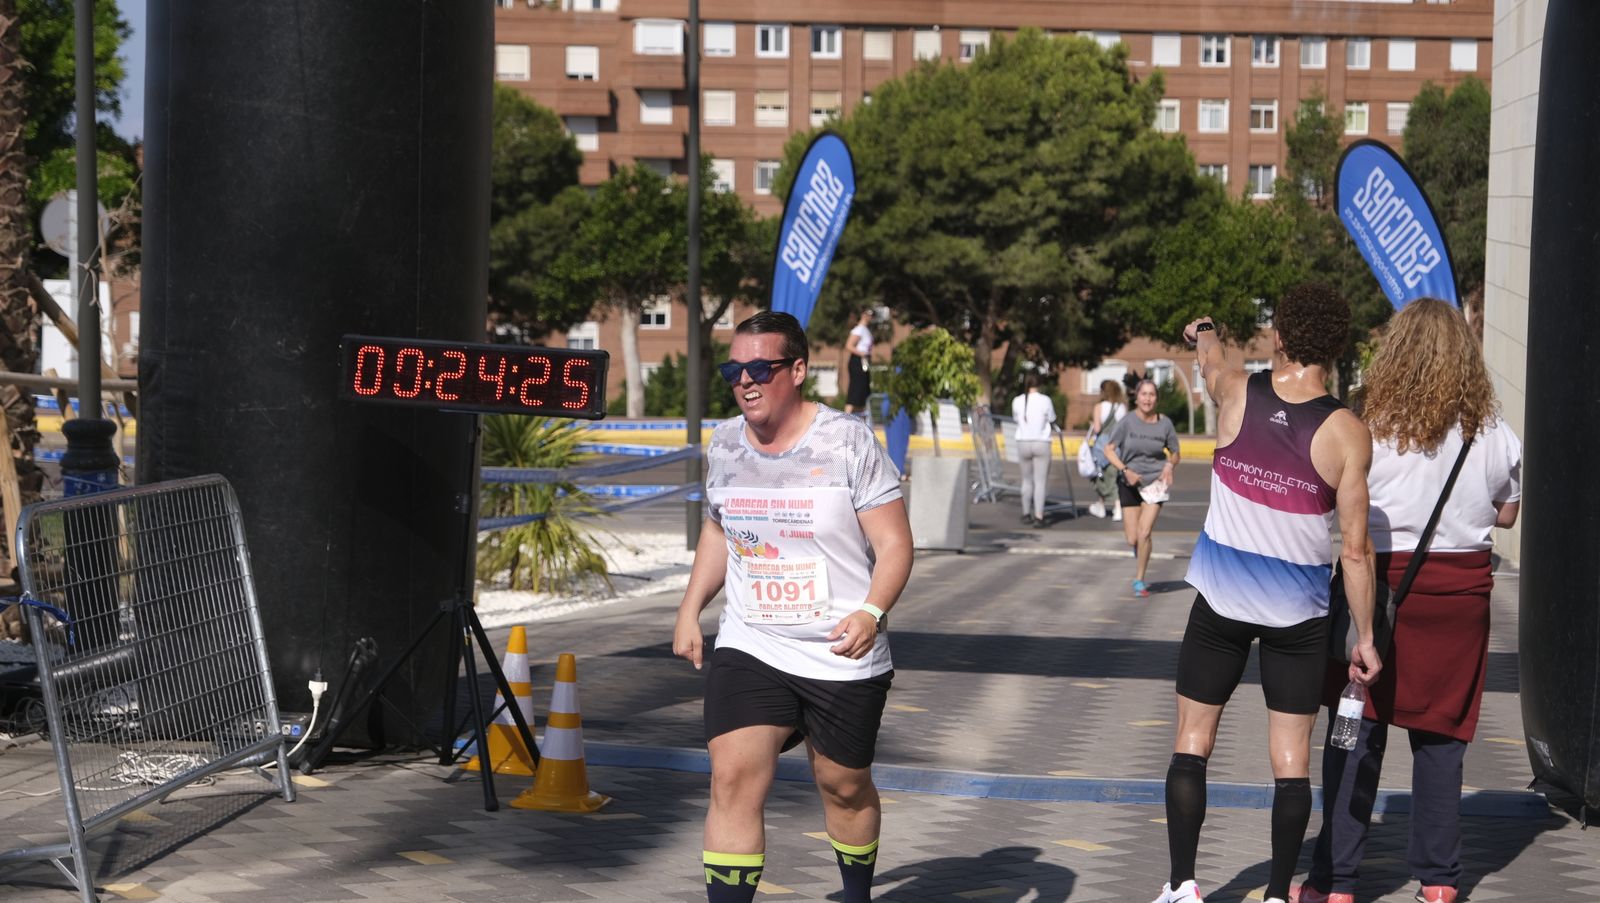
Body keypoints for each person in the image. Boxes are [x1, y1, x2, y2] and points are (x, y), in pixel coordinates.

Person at [1151, 284, 1383, 903]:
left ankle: (1181, 886)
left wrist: (1203, 329)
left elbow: (1209, 359)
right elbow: (1355, 552)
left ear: (1278, 338)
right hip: (1298, 616)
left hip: (1220, 603)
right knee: (1291, 761)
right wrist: (1364, 637)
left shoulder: (1236, 390)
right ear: (1336, 347)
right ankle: (1279, 895)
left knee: (1192, 742)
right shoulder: (1348, 433)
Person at [673, 310, 914, 903]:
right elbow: (718, 529)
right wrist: (690, 609)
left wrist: (871, 612)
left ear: (799, 370)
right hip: (752, 641)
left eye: (760, 368)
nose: (745, 381)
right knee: (732, 779)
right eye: (734, 370)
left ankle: (856, 894)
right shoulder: (725, 443)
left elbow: (894, 545)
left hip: (839, 649)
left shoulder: (847, 441)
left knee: (843, 787)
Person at [1298, 299, 1522, 903]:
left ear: (1395, 351)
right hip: (1460, 600)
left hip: (1377, 592)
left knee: (1356, 730)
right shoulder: (1492, 433)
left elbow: (1331, 502)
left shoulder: (1366, 424)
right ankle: (1440, 882)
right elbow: (1505, 513)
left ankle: (1334, 883)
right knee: (1442, 737)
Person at [1103, 379, 1180, 597]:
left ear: (1157, 399)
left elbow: (1175, 453)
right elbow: (1109, 450)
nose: (1147, 399)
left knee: (1144, 532)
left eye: (1151, 394)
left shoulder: (1165, 424)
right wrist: (1125, 469)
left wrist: (1169, 465)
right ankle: (1142, 553)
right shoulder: (1127, 422)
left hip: (1155, 482)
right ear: (1136, 398)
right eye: (1143, 394)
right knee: (1133, 539)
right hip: (1129, 482)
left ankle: (1139, 580)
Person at [1011, 374, 1057, 527]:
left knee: (1026, 480)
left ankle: (1025, 513)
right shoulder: (1045, 400)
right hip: (1041, 442)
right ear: (1040, 384)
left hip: (1023, 441)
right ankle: (1039, 516)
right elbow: (1052, 418)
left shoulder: (1017, 400)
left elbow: (1016, 419)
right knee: (1040, 482)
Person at [1087, 380, 1128, 520]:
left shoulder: (1099, 407)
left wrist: (1093, 424)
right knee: (1114, 476)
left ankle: (1117, 507)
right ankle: (1101, 504)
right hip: (1117, 445)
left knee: (1102, 476)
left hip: (1102, 447)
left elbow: (1097, 429)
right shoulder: (1122, 407)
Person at [844, 309, 874, 415]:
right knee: (855, 390)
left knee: (864, 392)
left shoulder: (866, 330)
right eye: (869, 314)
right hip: (858, 362)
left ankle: (860, 419)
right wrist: (862, 354)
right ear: (863, 315)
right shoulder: (859, 329)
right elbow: (849, 345)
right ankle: (846, 416)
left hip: (864, 362)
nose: (871, 316)